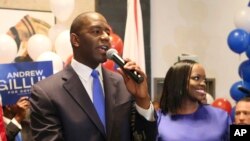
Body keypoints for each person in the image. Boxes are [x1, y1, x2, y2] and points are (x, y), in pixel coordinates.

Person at [29, 11, 154, 141]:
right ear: (75, 40)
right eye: (96, 31)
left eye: (108, 32)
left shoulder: (124, 83)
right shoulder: (46, 92)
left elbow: (143, 137)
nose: (106, 37)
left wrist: (143, 100)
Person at [133, 60, 231, 141]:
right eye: (196, 78)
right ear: (179, 82)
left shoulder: (222, 117)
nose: (203, 83)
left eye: (204, 79)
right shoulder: (159, 119)